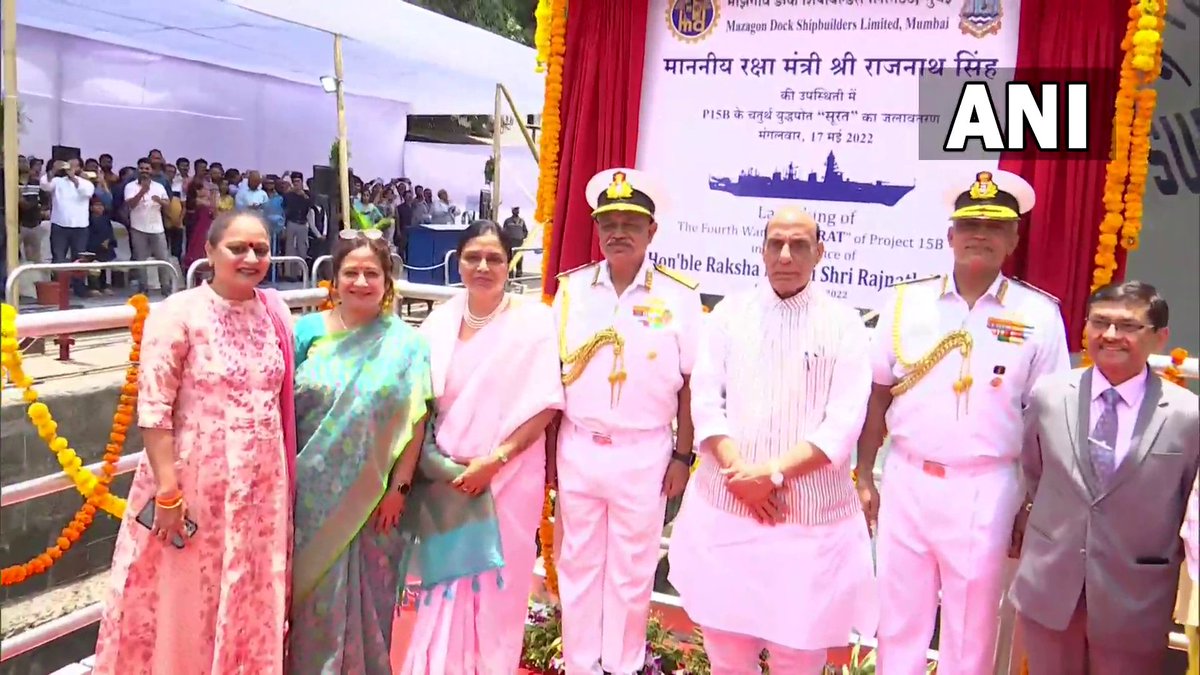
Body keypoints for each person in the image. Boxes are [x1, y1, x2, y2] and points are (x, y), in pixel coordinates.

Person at [856, 170, 1070, 675]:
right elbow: (876, 394)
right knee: (898, 619)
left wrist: (1034, 503)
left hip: (987, 486)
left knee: (971, 627)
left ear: (1013, 239)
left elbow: (1050, 417)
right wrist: (865, 472)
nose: (980, 235)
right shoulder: (906, 303)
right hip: (907, 477)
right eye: (970, 224)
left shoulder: (1038, 315)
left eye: (995, 227)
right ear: (950, 235)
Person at [669, 207, 878, 673]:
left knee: (799, 657)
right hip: (729, 509)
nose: (786, 255)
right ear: (762, 251)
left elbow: (843, 424)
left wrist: (769, 474)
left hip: (808, 520)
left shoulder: (844, 324)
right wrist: (740, 476)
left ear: (820, 252)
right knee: (726, 651)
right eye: (776, 243)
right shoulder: (728, 315)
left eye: (799, 244)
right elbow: (705, 402)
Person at [287, 229, 504, 674]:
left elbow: (415, 420)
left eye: (372, 273)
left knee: (373, 603)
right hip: (309, 499)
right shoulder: (304, 332)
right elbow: (281, 412)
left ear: (388, 284)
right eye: (351, 273)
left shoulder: (406, 345)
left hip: (378, 501)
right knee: (311, 607)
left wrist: (399, 488)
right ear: (334, 280)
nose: (361, 282)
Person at [93, 212, 295, 674]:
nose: (250, 259)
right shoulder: (179, 313)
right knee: (188, 599)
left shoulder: (275, 312)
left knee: (249, 588)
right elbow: (153, 410)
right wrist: (168, 491)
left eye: (260, 250)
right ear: (209, 251)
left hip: (260, 492)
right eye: (238, 248)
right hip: (193, 487)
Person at [553, 168, 701, 675]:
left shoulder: (678, 297)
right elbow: (553, 376)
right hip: (578, 446)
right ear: (597, 229)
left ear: (651, 232)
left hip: (645, 452)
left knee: (633, 571)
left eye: (630, 223)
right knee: (576, 565)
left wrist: (685, 455)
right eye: (608, 222)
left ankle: (620, 666)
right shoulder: (572, 292)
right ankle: (579, 665)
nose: (618, 232)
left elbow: (690, 384)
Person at [1010, 281, 1200, 674]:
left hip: (1135, 597)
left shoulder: (1186, 415)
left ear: (1160, 338)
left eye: (1128, 326)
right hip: (1051, 587)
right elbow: (1034, 471)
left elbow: (1186, 501)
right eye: (1100, 323)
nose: (1111, 335)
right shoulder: (1049, 396)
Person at [402, 221, 564, 674]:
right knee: (446, 585)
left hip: (508, 476)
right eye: (473, 257)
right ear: (459, 262)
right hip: (448, 479)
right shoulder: (439, 322)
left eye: (494, 258)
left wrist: (495, 461)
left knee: (499, 587)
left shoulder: (534, 320)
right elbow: (420, 402)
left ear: (508, 263)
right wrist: (438, 467)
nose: (483, 266)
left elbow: (546, 404)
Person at [502, 207, 529, 277]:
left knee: (519, 259)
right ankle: (510, 276)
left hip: (519, 243)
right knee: (510, 259)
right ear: (512, 211)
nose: (516, 211)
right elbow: (503, 231)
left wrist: (521, 237)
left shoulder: (522, 221)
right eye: (515, 210)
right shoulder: (507, 221)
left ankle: (519, 276)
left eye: (517, 210)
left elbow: (525, 231)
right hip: (510, 243)